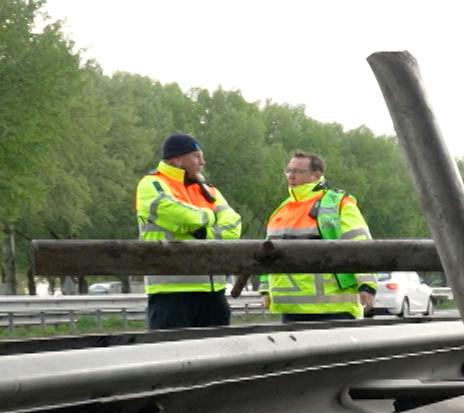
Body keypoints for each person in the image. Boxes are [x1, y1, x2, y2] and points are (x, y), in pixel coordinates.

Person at [135, 133, 243, 330]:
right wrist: (211, 216)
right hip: (171, 292)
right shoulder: (151, 184)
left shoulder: (205, 188)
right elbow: (178, 214)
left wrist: (205, 234)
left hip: (214, 293)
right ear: (176, 159)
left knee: (219, 358)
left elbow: (234, 224)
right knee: (172, 357)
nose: (203, 162)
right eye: (196, 156)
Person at [263, 151, 376, 322]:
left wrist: (367, 285)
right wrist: (265, 290)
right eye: (289, 171)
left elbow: (359, 244)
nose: (291, 176)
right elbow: (267, 253)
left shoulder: (336, 203)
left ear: (316, 175)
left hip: (333, 307)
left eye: (298, 171)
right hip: (291, 308)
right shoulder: (282, 209)